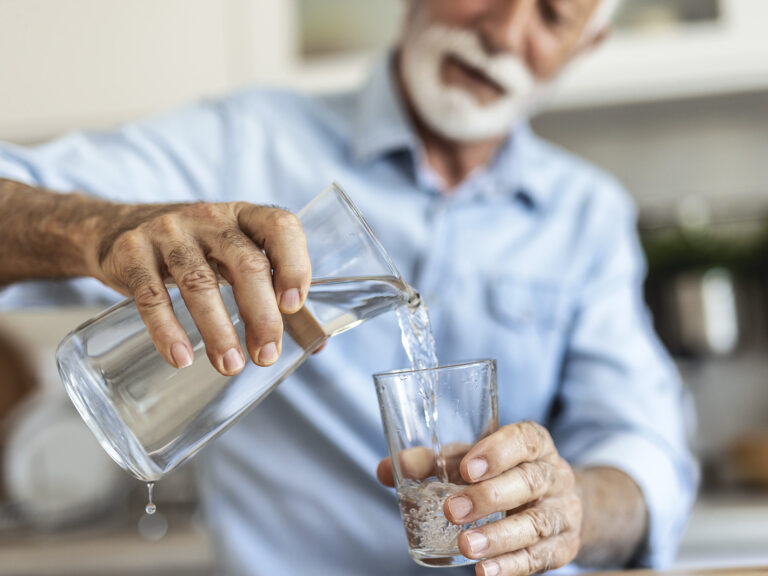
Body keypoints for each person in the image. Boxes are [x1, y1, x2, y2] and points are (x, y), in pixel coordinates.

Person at [0, 0, 697, 574]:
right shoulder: (244, 143)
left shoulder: (587, 215)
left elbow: (643, 448)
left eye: (552, 14)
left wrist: (569, 506)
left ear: (587, 43)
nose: (505, 30)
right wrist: (96, 229)